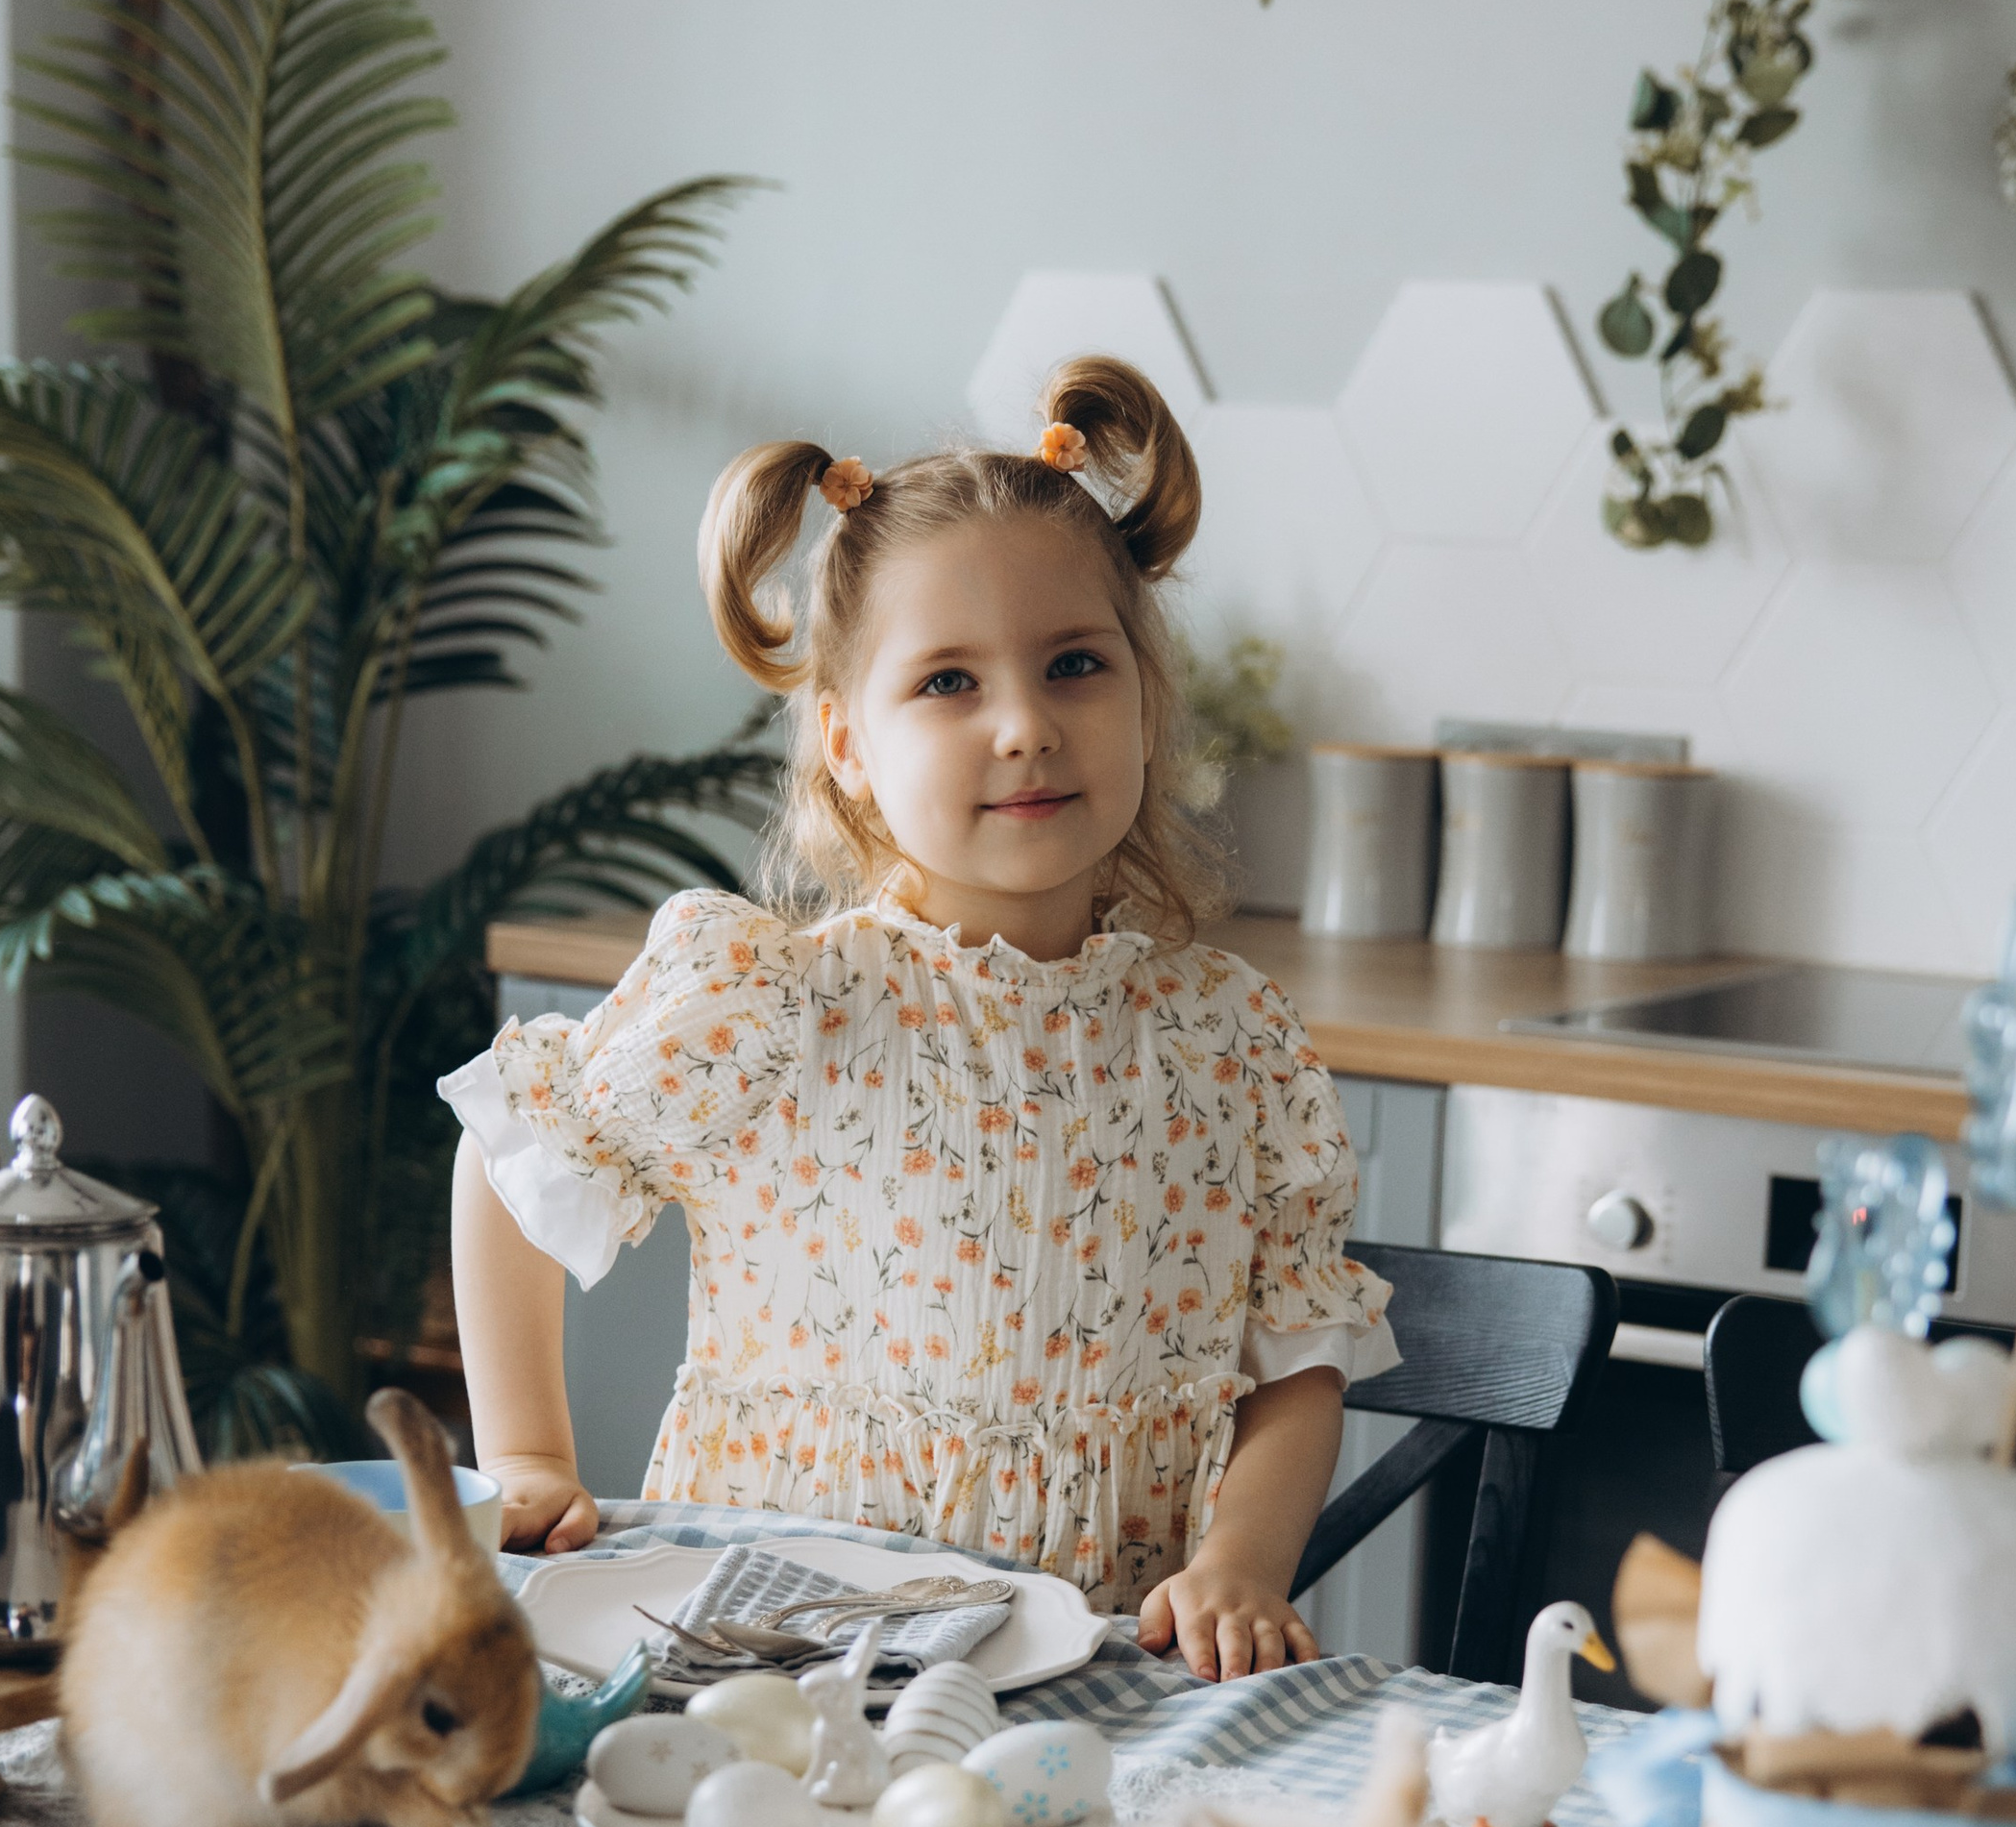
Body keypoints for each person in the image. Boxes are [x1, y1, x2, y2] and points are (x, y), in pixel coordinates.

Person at [441, 356, 1396, 1682]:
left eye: (1075, 665)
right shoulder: (767, 1001)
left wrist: (1240, 1561)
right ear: (844, 743)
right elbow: (510, 1154)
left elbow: (1297, 1356)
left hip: (1079, 1684)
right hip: (762, 1657)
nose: (1024, 726)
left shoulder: (1228, 1042)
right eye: (949, 682)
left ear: (1146, 697)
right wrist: (529, 1461)